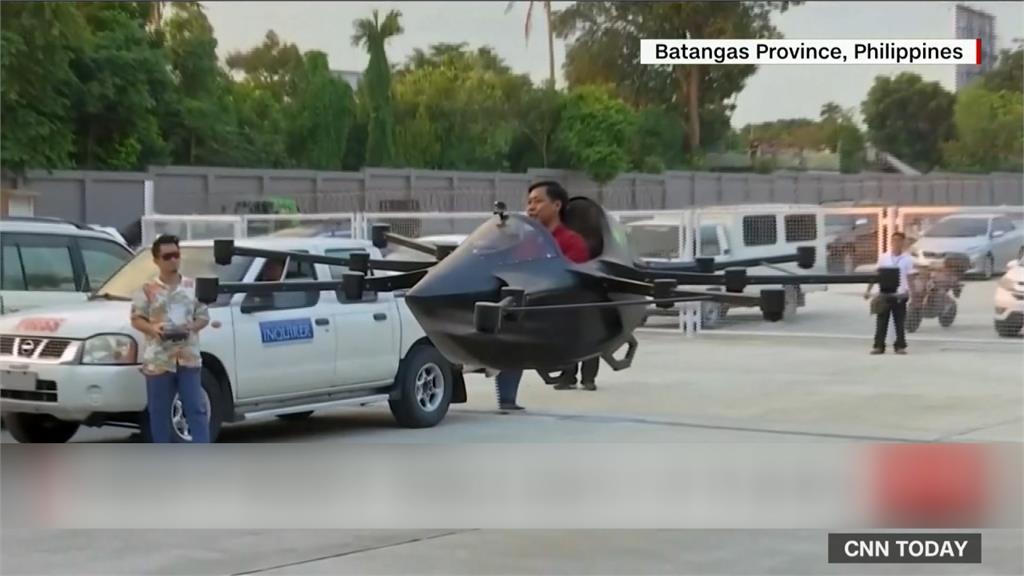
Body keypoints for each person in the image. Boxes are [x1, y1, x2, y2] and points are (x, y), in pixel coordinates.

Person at [495, 181, 590, 412]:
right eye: (529, 202)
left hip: (553, 312)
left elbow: (570, 281)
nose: (531, 207)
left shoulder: (572, 242)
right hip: (521, 305)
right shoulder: (523, 241)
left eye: (538, 201)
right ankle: (507, 399)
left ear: (557, 205)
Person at [130, 235, 211, 442]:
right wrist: (152, 328)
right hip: (159, 360)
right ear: (156, 260)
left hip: (188, 358)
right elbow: (136, 319)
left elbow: (203, 317)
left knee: (196, 408)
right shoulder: (147, 290)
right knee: (158, 414)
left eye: (176, 255)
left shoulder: (193, 287)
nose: (173, 260)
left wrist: (191, 327)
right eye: (167, 256)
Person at [864, 231, 915, 355]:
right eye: (894, 240)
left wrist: (911, 292)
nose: (896, 243)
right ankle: (879, 346)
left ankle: (900, 346)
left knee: (899, 322)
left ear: (903, 242)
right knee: (882, 322)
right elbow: (877, 274)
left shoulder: (907, 259)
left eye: (899, 240)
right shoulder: (884, 257)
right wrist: (868, 290)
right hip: (884, 293)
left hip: (900, 294)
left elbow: (910, 277)